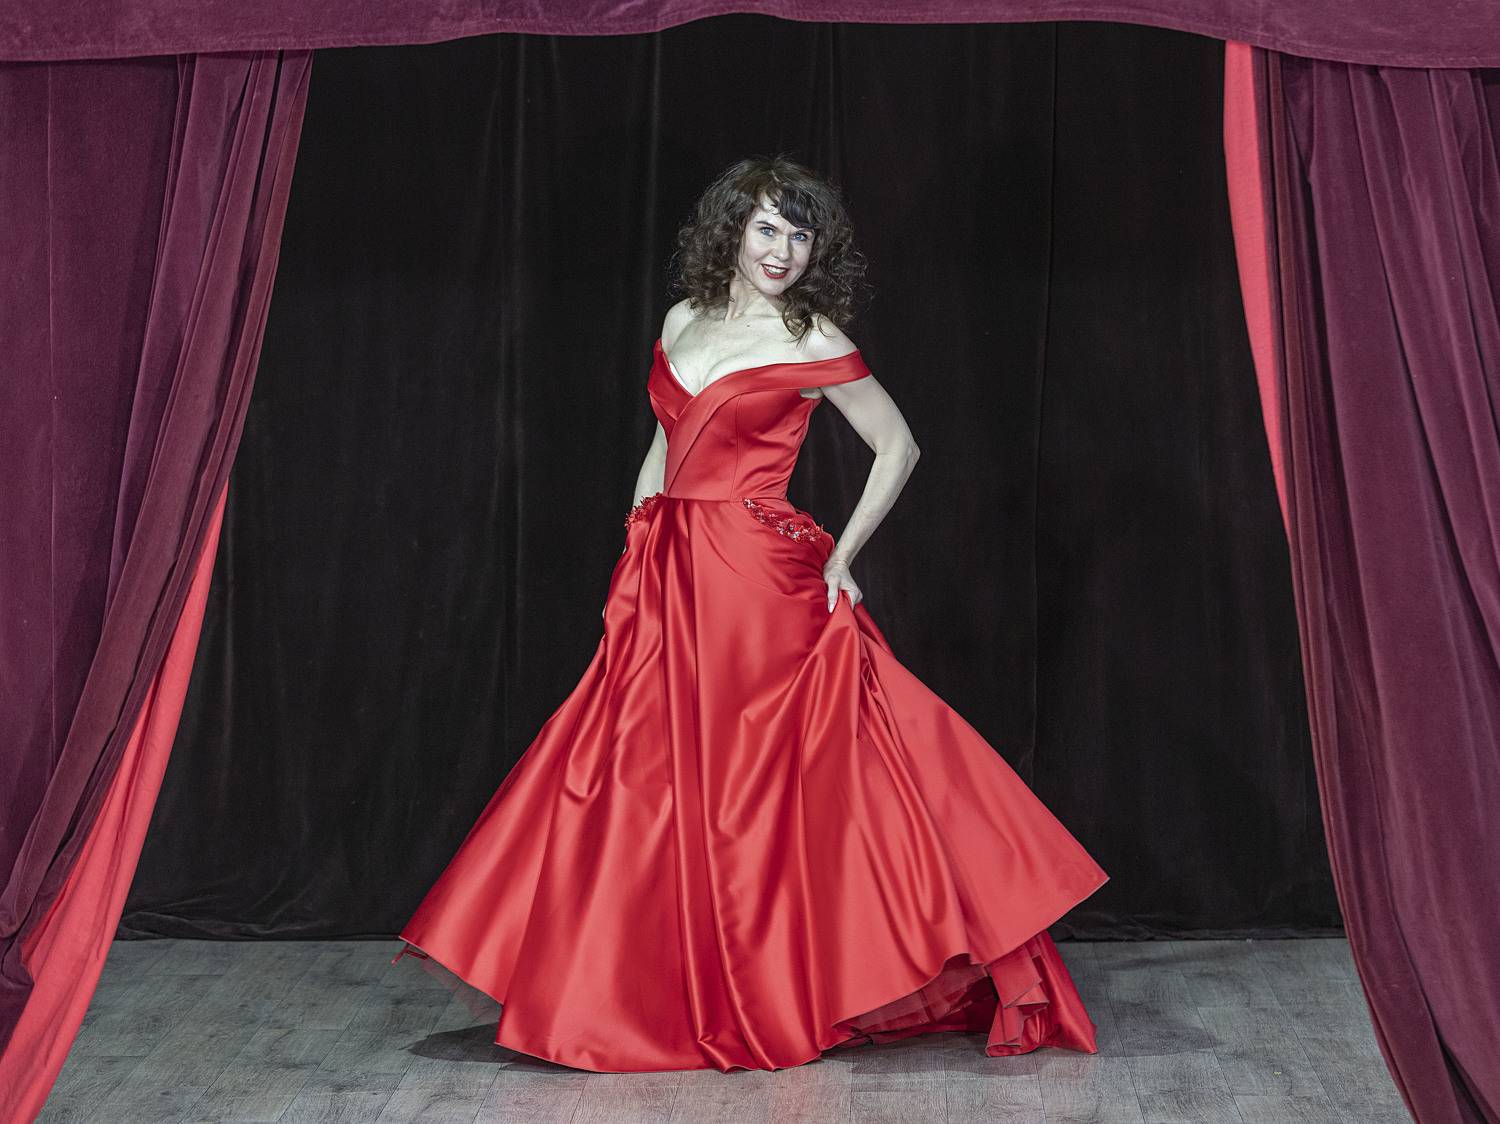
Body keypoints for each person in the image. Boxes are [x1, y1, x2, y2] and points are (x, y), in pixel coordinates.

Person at [394, 155, 1108, 1073]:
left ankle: (775, 988)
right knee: (647, 776)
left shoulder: (811, 339)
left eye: (800, 234)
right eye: (768, 227)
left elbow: (897, 446)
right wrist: (635, 550)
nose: (783, 249)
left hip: (757, 583)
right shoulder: (681, 320)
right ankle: (642, 992)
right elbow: (665, 445)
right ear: (730, 229)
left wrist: (842, 558)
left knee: (754, 790)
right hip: (671, 572)